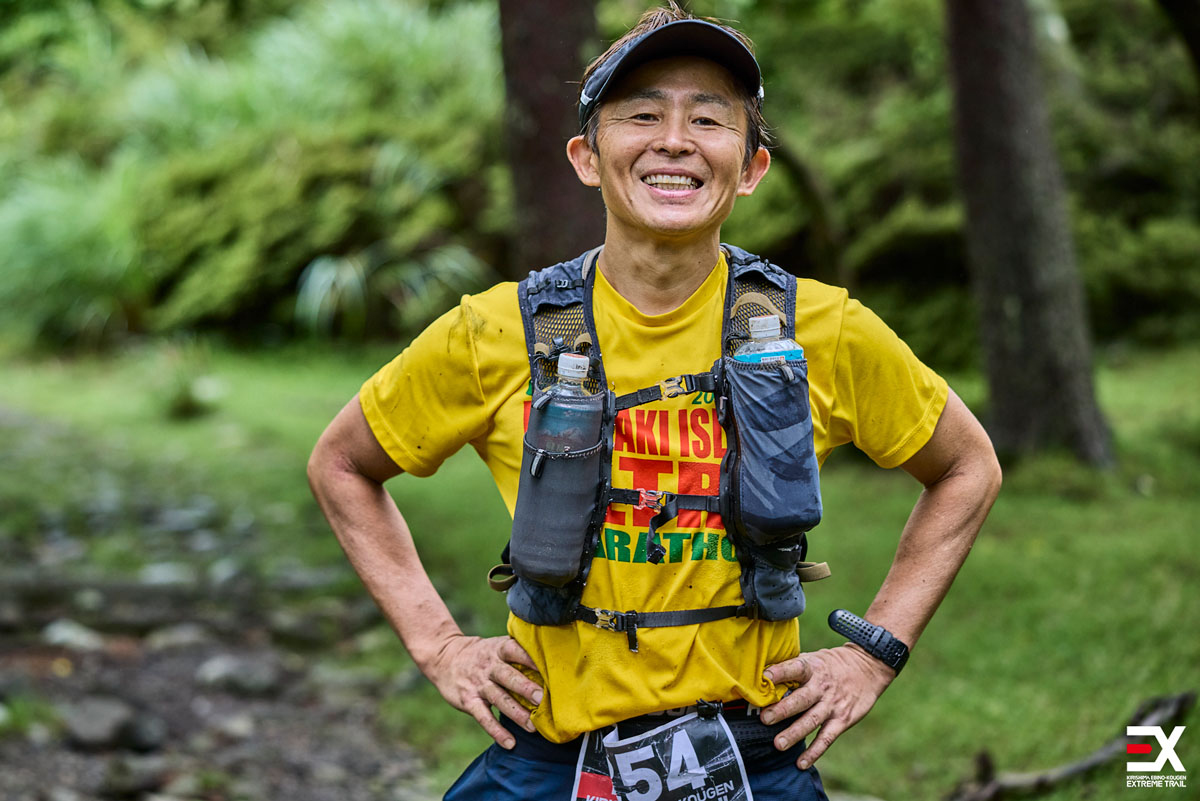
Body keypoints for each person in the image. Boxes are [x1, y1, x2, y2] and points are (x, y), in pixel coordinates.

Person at [308, 3, 1002, 799]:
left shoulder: (820, 328)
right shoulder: (496, 330)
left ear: (751, 167)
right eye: (642, 115)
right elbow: (342, 463)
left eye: (708, 118)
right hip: (550, 758)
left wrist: (871, 654)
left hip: (753, 756)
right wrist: (438, 644)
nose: (674, 140)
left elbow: (967, 466)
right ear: (586, 157)